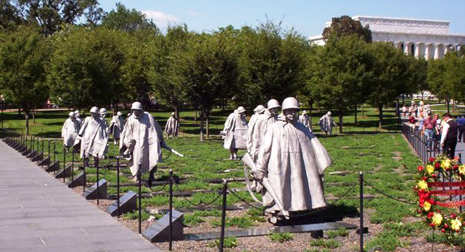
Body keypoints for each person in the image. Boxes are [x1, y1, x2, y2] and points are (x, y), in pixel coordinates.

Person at [255, 97, 331, 215]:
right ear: (284, 111)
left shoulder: (302, 127)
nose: (292, 113)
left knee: (300, 185)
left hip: (301, 163)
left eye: (294, 110)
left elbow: (313, 144)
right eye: (289, 110)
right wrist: (260, 167)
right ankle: (280, 207)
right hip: (280, 163)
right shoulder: (275, 128)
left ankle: (303, 206)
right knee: (281, 186)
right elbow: (265, 149)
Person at [120, 102, 172, 186]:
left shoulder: (148, 117)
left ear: (141, 110)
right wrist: (128, 143)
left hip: (149, 142)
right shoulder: (130, 119)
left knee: (153, 157)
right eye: (134, 110)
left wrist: (160, 140)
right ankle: (137, 176)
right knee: (137, 160)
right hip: (136, 144)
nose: (136, 112)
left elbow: (156, 128)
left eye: (137, 111)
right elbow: (127, 133)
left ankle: (151, 175)